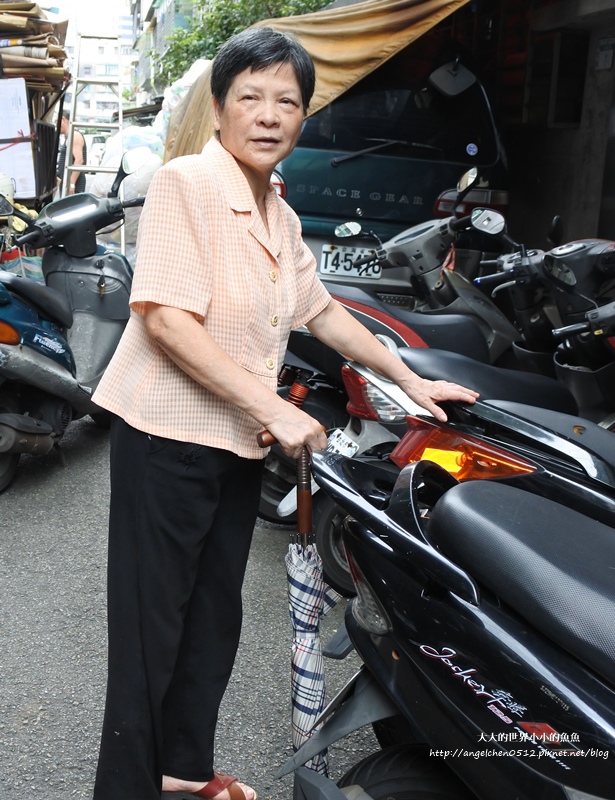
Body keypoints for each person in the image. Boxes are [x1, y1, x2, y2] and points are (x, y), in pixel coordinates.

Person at [90, 27, 479, 800]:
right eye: (251, 98)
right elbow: (165, 319)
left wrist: (410, 381)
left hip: (234, 443)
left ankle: (181, 775)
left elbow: (324, 312)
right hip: (165, 440)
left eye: (288, 102)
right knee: (151, 635)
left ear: (303, 117)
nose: (269, 116)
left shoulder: (278, 212)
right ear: (220, 106)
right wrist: (278, 408)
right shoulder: (185, 185)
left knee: (210, 624)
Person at [56, 110, 87, 194]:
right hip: (67, 183)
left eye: (56, 121)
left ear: (62, 120)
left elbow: (79, 160)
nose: (56, 125)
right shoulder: (69, 136)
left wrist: (72, 183)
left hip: (74, 185)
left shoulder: (74, 135)